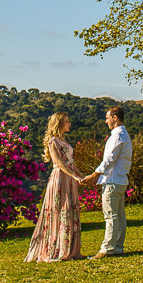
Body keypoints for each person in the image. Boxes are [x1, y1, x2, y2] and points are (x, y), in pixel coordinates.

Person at [25, 111, 85, 262]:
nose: (69, 123)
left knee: (70, 210)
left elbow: (70, 163)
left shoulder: (63, 141)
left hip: (68, 177)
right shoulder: (53, 142)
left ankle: (70, 249)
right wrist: (73, 175)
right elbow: (59, 163)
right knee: (61, 209)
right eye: (66, 121)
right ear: (59, 124)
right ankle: (57, 249)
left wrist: (81, 175)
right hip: (60, 178)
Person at [80, 106, 131, 258]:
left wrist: (94, 175)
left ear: (115, 118)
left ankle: (107, 249)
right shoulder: (124, 134)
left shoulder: (117, 135)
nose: (106, 121)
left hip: (113, 180)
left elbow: (109, 160)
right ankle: (117, 247)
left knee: (111, 215)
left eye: (108, 118)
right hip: (120, 180)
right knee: (119, 215)